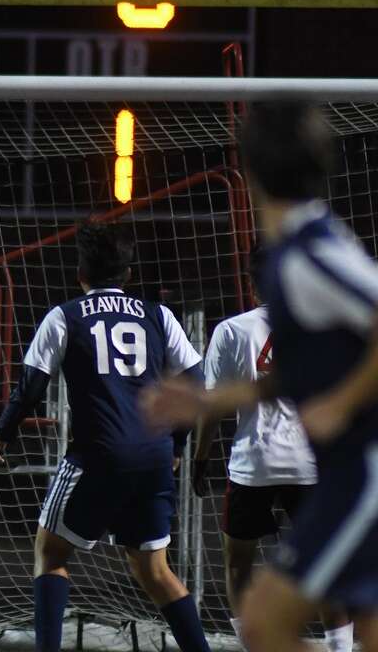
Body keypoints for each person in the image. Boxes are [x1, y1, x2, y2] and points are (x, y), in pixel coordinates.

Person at [143, 101, 378, 652]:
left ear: (249, 173)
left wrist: (341, 404)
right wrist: (217, 399)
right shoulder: (307, 243)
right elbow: (305, 368)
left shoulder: (305, 255)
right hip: (341, 472)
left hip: (361, 477)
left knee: (264, 623)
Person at [0, 223, 211, 652]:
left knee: (50, 554)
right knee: (155, 571)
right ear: (128, 275)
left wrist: (2, 435)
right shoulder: (158, 315)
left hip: (98, 457)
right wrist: (177, 446)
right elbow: (197, 386)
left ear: (80, 273)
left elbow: (31, 386)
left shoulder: (64, 315)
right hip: (153, 457)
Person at [192, 249, 353, 651]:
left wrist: (200, 458)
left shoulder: (231, 330)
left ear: (251, 285)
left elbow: (212, 407)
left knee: (238, 565)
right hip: (309, 466)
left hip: (253, 465)